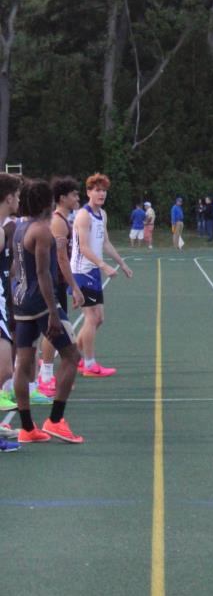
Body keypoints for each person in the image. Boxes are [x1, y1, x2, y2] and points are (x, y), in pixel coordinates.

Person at [10, 179, 83, 443]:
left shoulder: (20, 228)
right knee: (72, 355)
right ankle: (55, 420)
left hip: (21, 301)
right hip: (41, 303)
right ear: (47, 203)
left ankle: (27, 428)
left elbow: (16, 268)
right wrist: (53, 311)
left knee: (24, 362)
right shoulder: (42, 230)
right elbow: (43, 273)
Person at [71, 172, 132, 377]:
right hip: (82, 272)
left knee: (99, 319)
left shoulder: (102, 214)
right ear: (88, 192)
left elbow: (105, 243)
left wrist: (122, 263)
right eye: (97, 190)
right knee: (92, 317)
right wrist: (104, 266)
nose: (101, 194)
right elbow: (84, 247)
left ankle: (74, 355)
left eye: (104, 190)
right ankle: (89, 364)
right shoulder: (83, 215)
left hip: (93, 271)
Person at [37, 176, 84, 397]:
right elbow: (61, 258)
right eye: (74, 194)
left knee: (55, 329)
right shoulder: (58, 222)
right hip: (53, 283)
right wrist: (75, 286)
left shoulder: (64, 220)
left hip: (58, 282)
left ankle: (46, 374)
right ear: (62, 198)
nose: (77, 198)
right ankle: (45, 376)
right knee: (54, 330)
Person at [0, 173, 21, 412]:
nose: (19, 200)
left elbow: (10, 269)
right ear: (8, 198)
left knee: (5, 369)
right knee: (5, 369)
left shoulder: (7, 230)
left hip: (4, 302)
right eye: (17, 195)